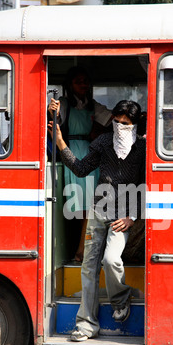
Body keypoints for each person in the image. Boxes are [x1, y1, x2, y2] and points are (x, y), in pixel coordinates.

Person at [48, 100, 146, 341]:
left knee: (111, 260)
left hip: (122, 216)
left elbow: (148, 184)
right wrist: (60, 142)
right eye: (117, 121)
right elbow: (81, 169)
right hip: (98, 211)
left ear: (134, 124)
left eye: (126, 123)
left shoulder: (143, 148)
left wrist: (132, 217)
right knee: (88, 268)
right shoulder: (103, 142)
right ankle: (86, 325)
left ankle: (120, 300)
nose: (121, 126)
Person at [48, 66, 112, 262]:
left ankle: (86, 250)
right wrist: (53, 112)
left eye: (85, 81)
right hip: (71, 150)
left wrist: (98, 131)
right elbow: (54, 121)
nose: (83, 84)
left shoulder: (93, 105)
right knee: (77, 205)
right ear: (70, 85)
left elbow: (112, 121)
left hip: (91, 153)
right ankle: (79, 250)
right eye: (78, 81)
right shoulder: (64, 104)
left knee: (92, 203)